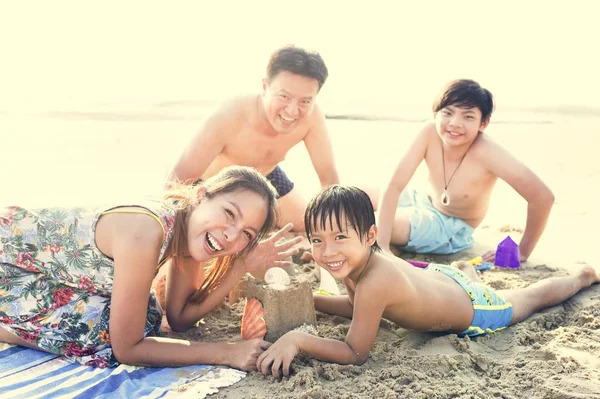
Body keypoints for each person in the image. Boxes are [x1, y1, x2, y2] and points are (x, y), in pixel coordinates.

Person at [256, 185, 598, 376]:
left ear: (371, 234)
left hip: (473, 308)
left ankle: (582, 276)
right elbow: (354, 305)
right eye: (317, 240)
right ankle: (466, 271)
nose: (327, 251)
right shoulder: (360, 263)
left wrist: (298, 340)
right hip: (438, 277)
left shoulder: (375, 281)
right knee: (471, 281)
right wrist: (309, 301)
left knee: (526, 299)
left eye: (340, 237)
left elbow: (354, 351)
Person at [0, 166, 301, 369]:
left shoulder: (188, 232)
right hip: (8, 265)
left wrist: (240, 268)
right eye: (229, 213)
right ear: (201, 196)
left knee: (150, 316)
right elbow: (127, 349)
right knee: (108, 334)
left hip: (41, 270)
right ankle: (9, 331)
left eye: (247, 234)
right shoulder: (146, 231)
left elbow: (180, 318)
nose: (231, 235)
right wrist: (228, 352)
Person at [376, 79, 554, 262]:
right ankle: (390, 242)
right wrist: (381, 245)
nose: (455, 123)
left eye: (468, 117)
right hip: (420, 200)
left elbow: (542, 196)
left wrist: (522, 251)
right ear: (435, 114)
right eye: (448, 113)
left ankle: (391, 239)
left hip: (449, 227)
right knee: (352, 197)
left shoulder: (489, 152)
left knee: (367, 223)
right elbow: (394, 184)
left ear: (483, 123)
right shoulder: (429, 132)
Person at [169, 45, 340, 232]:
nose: (292, 110)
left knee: (310, 225)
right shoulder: (230, 114)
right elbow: (179, 177)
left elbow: (329, 178)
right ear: (265, 87)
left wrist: (331, 234)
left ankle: (267, 216)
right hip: (212, 184)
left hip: (267, 177)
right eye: (284, 96)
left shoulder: (312, 118)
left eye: (305, 101)